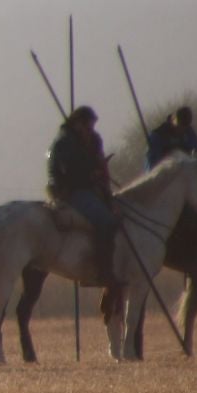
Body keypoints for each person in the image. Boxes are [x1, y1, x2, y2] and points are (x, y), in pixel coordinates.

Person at [47, 105, 119, 286]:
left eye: (92, 127)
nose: (90, 130)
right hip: (70, 191)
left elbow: (98, 161)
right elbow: (68, 171)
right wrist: (90, 174)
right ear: (77, 123)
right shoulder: (64, 143)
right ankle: (102, 271)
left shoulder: (93, 140)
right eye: (87, 126)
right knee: (106, 221)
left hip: (92, 189)